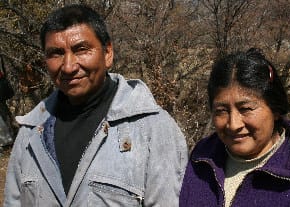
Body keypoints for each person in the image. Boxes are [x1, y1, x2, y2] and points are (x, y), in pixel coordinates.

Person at [4, 4, 188, 207]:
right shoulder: (31, 133)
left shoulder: (152, 130)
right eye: (56, 53)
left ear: (107, 53)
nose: (68, 66)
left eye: (81, 49)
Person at [179, 48, 290, 207]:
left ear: (275, 109)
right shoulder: (203, 157)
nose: (234, 125)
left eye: (246, 109)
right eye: (222, 111)